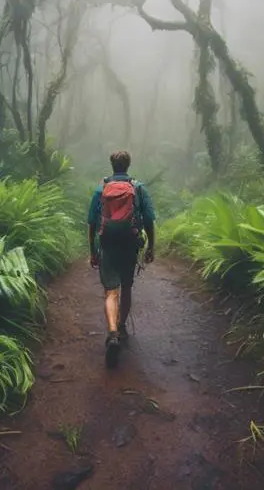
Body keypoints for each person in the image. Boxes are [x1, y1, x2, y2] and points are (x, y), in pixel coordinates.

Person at [87, 150, 155, 368]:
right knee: (126, 287)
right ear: (128, 165)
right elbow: (149, 220)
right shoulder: (138, 188)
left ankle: (112, 333)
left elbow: (91, 223)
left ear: (112, 165)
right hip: (129, 244)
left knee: (110, 291)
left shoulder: (101, 189)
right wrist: (151, 246)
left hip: (107, 245)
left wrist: (92, 250)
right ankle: (122, 325)